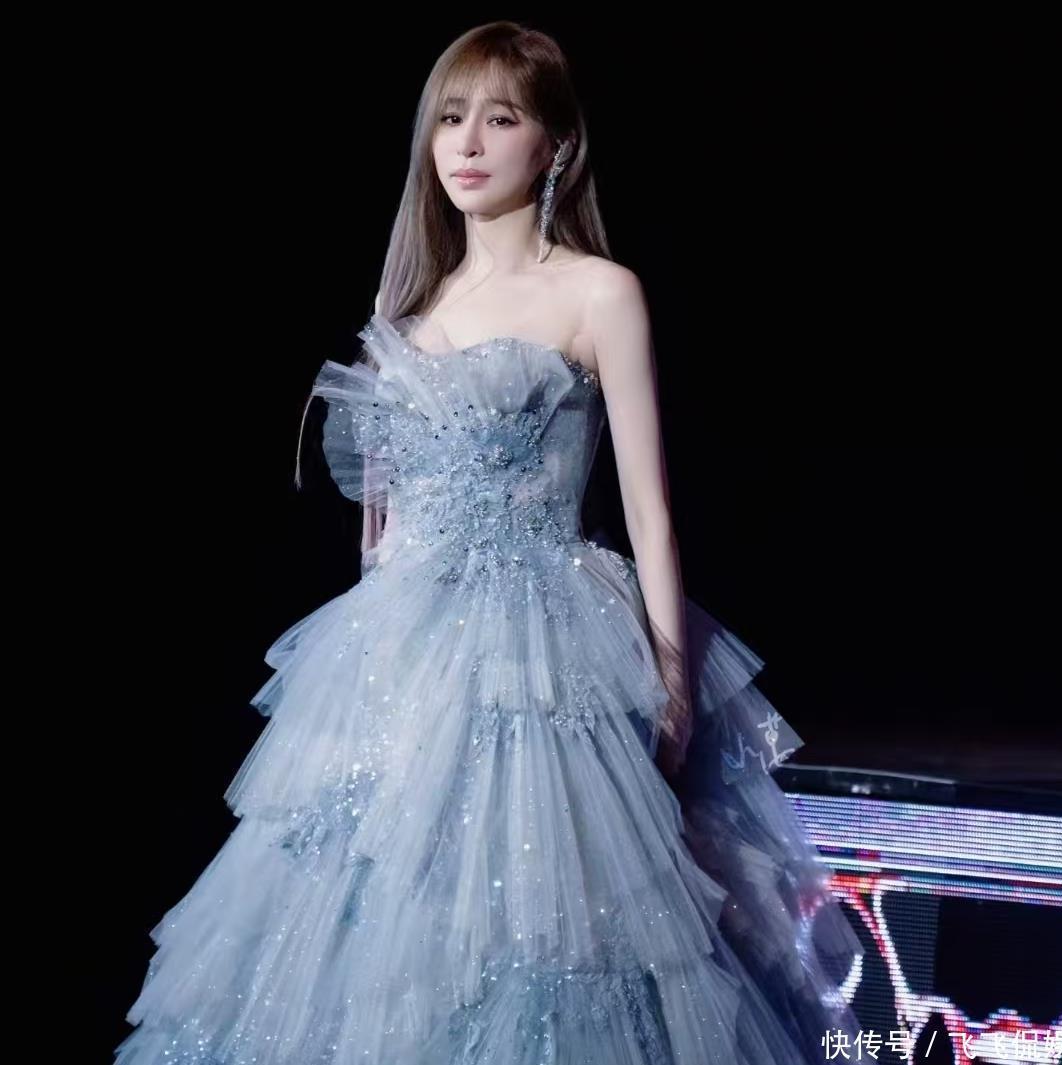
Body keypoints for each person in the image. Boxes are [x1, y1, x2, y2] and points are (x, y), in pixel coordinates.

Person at [115, 20, 864, 1064]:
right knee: (374, 927)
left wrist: (672, 682)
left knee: (562, 932)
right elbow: (382, 536)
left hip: (549, 653)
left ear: (555, 145)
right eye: (450, 119)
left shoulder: (597, 291)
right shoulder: (410, 310)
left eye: (500, 119)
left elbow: (648, 507)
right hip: (404, 659)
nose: (466, 144)